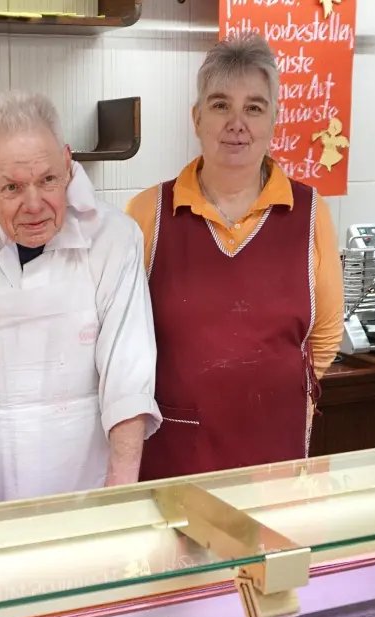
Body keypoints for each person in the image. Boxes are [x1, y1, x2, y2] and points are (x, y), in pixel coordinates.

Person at [0, 90, 159, 506]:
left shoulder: (116, 237)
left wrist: (120, 498)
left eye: (48, 180)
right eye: (12, 187)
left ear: (68, 164)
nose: (35, 205)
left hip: (87, 476)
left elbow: (128, 377)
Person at [125, 33, 346, 480]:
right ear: (197, 117)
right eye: (221, 104)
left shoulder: (310, 214)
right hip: (175, 459)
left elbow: (325, 335)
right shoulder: (148, 213)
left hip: (275, 458)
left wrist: (280, 401)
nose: (236, 122)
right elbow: (121, 344)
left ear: (274, 121)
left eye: (254, 107)